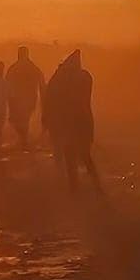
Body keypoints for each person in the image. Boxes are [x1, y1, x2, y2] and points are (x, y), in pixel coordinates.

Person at [43, 49, 99, 191]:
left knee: (71, 155)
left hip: (68, 122)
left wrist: (47, 120)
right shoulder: (85, 77)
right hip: (83, 121)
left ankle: (75, 186)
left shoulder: (60, 78)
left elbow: (49, 99)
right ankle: (95, 184)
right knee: (84, 155)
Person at [6, 46, 44, 150]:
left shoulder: (15, 68)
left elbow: (7, 82)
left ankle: (23, 140)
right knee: (21, 119)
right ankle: (23, 139)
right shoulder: (32, 67)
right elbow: (41, 82)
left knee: (21, 120)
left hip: (20, 99)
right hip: (24, 99)